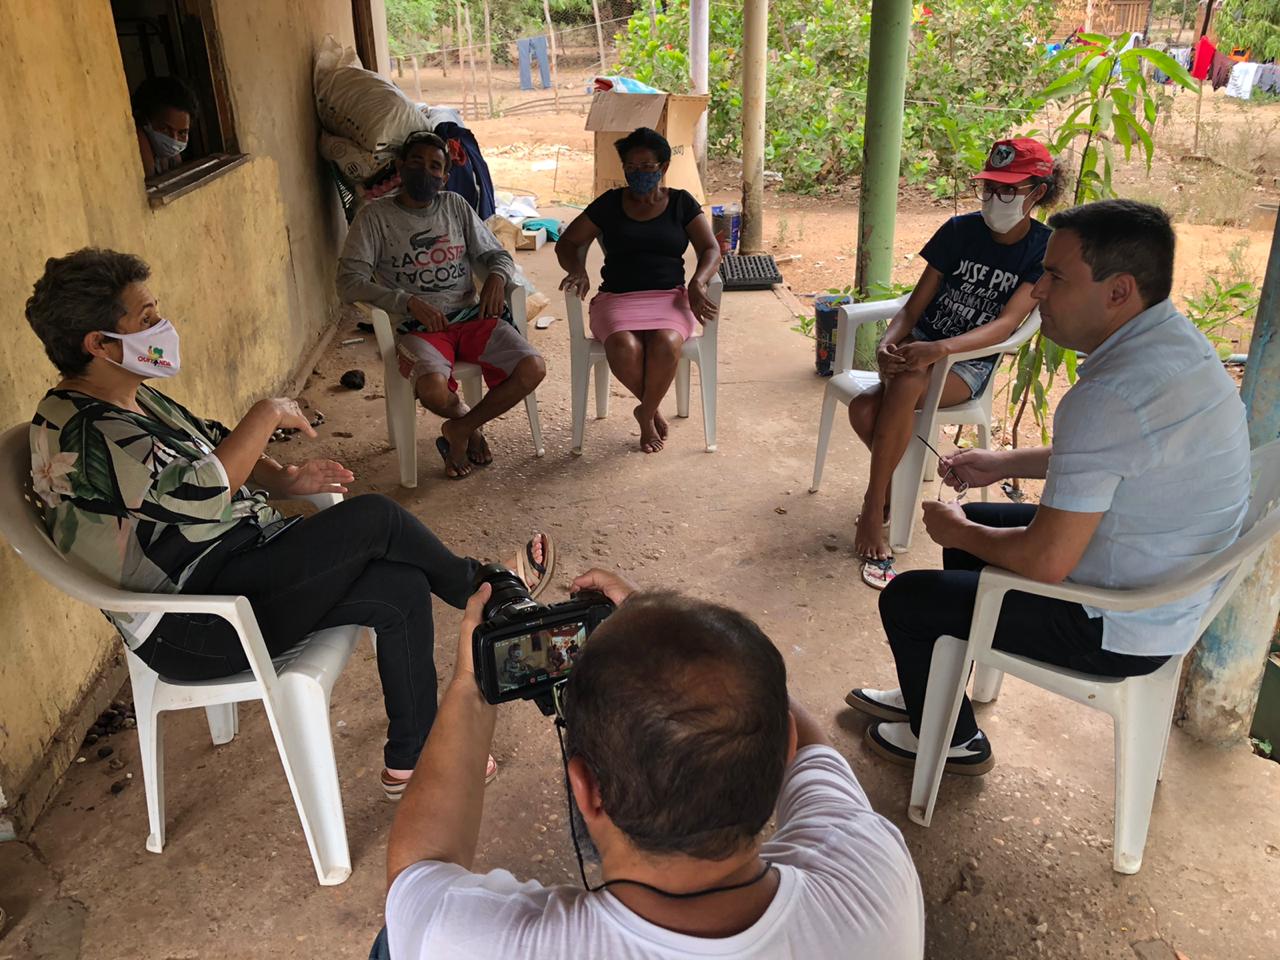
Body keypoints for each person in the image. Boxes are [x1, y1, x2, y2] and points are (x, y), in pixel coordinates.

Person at [25, 248, 556, 797]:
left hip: (235, 568)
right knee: (375, 518)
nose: (163, 327)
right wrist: (266, 412)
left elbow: (215, 451)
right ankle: (492, 594)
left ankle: (413, 756)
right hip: (195, 622)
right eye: (146, 318)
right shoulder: (83, 431)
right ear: (98, 343)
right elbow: (202, 491)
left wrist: (286, 480)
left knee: (399, 585)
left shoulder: (125, 397)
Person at [846, 200, 1251, 775]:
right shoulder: (1174, 348)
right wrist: (1003, 463)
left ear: (1118, 291)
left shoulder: (1108, 396)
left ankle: (954, 739)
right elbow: (1121, 453)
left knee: (909, 599)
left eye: (1056, 277)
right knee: (970, 544)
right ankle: (933, 694)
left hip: (1116, 623)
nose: (1037, 292)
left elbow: (1045, 561)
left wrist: (956, 525)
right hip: (1163, 582)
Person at [378, 569, 925, 960]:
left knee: (393, 943)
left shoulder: (467, 941)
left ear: (588, 789)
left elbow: (419, 870)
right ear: (781, 754)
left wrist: (470, 687)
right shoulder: (874, 871)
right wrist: (675, 636)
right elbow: (803, 737)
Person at [846, 138, 1062, 589]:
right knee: (862, 409)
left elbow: (1006, 324)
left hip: (967, 366)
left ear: (1037, 193)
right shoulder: (958, 231)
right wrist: (890, 340)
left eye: (1008, 192)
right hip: (920, 352)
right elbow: (912, 307)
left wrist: (942, 350)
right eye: (988, 189)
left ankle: (874, 507)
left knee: (903, 389)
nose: (993, 201)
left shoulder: (1043, 249)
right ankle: (889, 492)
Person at [338, 130, 546, 479]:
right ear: (400, 167)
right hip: (419, 327)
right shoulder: (374, 217)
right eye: (416, 162)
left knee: (533, 368)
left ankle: (458, 430)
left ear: (444, 177)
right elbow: (348, 282)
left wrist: (496, 276)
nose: (425, 171)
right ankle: (469, 426)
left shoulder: (454, 205)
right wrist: (407, 301)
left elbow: (496, 253)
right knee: (433, 392)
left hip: (470, 316)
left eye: (435, 167)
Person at [557, 127, 721, 454]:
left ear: (663, 167)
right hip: (617, 297)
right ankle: (652, 408)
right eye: (631, 167)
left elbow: (711, 250)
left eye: (647, 167)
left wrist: (697, 282)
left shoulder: (681, 204)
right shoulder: (609, 204)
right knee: (622, 347)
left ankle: (644, 412)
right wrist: (577, 268)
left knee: (666, 343)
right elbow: (568, 242)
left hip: (669, 297)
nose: (639, 173)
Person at [131, 76, 197, 179]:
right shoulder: (135, 151)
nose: (174, 140)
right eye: (164, 129)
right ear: (144, 121)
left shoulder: (171, 158)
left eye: (182, 133)